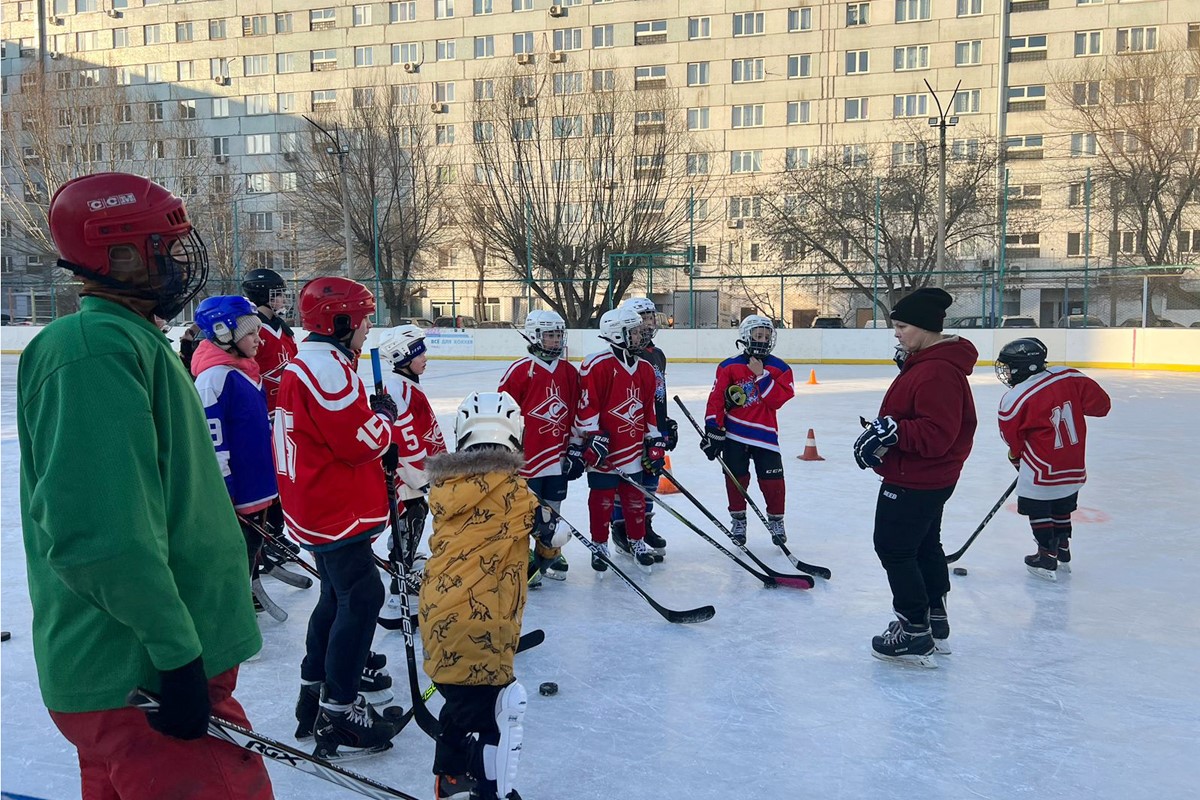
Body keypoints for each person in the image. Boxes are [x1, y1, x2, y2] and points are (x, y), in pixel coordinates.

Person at [16, 172, 273, 798]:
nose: (181, 264)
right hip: (145, 678)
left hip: (146, 673)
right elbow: (100, 536)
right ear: (122, 255)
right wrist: (176, 655)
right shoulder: (94, 351)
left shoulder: (131, 341)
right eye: (166, 248)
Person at [274, 276, 401, 759]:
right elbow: (360, 442)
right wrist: (384, 419)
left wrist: (368, 413)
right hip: (332, 508)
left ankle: (313, 691)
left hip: (315, 503)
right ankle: (340, 713)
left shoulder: (314, 362)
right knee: (364, 595)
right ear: (340, 321)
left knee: (337, 595)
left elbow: (335, 428)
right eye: (364, 318)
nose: (369, 327)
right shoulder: (326, 368)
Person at [420, 391, 565, 800]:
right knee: (498, 716)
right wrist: (553, 539)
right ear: (514, 437)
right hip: (482, 622)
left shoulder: (446, 486)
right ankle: (489, 791)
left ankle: (450, 777)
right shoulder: (520, 495)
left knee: (466, 706)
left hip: (437, 613)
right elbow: (550, 548)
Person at [853, 287, 977, 668]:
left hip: (916, 477)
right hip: (928, 475)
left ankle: (913, 631)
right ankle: (934, 622)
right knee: (924, 545)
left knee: (894, 547)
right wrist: (889, 427)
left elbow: (937, 434)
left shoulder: (936, 370)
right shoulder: (929, 363)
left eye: (903, 326)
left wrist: (893, 433)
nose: (897, 333)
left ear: (925, 327)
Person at [191, 296, 284, 607]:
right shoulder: (213, 378)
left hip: (258, 486)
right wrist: (224, 491)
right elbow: (213, 442)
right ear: (223, 333)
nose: (259, 340)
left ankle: (245, 596)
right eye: (250, 333)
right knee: (234, 557)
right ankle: (233, 613)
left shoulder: (244, 370)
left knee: (250, 550)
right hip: (237, 491)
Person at [996, 338, 1111, 581]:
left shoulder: (1016, 397)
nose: (1006, 372)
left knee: (1038, 507)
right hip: (1074, 464)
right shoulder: (1069, 375)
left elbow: (1013, 440)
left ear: (1022, 367)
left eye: (1008, 366)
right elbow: (1101, 406)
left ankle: (1046, 556)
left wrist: (1017, 461)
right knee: (1062, 505)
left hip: (1041, 466)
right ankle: (1063, 550)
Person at [574, 307, 664, 575]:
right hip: (604, 450)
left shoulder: (646, 368)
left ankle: (636, 541)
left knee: (635, 497)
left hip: (634, 447)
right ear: (617, 334)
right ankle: (599, 545)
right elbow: (586, 406)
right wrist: (590, 437)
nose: (640, 335)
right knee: (601, 499)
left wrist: (654, 440)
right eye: (634, 332)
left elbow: (648, 410)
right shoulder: (596, 364)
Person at [498, 310, 580, 584]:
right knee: (526, 509)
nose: (556, 341)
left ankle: (550, 551)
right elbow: (502, 414)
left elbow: (576, 411)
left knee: (553, 506)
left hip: (557, 453)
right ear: (534, 336)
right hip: (527, 457)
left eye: (558, 335)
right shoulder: (519, 371)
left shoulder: (569, 371)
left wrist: (576, 446)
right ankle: (523, 556)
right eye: (550, 336)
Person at [700, 315, 795, 547]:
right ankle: (738, 520)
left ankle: (776, 521)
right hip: (735, 435)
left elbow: (778, 400)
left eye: (767, 336)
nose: (762, 340)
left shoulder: (780, 368)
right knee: (735, 480)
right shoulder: (728, 366)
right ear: (746, 336)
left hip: (765, 436)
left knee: (773, 481)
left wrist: (762, 375)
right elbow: (716, 401)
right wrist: (713, 429)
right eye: (758, 335)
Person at [377, 324, 448, 568]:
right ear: (402, 356)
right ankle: (401, 563)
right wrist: (421, 476)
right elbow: (405, 439)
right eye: (419, 353)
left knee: (412, 510)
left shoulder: (407, 384)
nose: (425, 357)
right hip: (405, 469)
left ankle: (402, 551)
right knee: (414, 510)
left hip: (414, 467)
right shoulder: (398, 389)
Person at [610, 297, 676, 562]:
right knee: (627, 480)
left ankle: (643, 525)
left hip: (653, 428)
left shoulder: (657, 354)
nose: (647, 325)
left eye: (650, 318)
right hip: (630, 428)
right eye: (641, 319)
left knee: (649, 478)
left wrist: (665, 424)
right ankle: (621, 528)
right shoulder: (627, 355)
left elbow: (658, 395)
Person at [242, 267, 297, 414]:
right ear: (265, 296)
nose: (284, 300)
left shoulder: (284, 329)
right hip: (263, 409)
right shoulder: (250, 330)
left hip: (288, 407)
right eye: (279, 295)